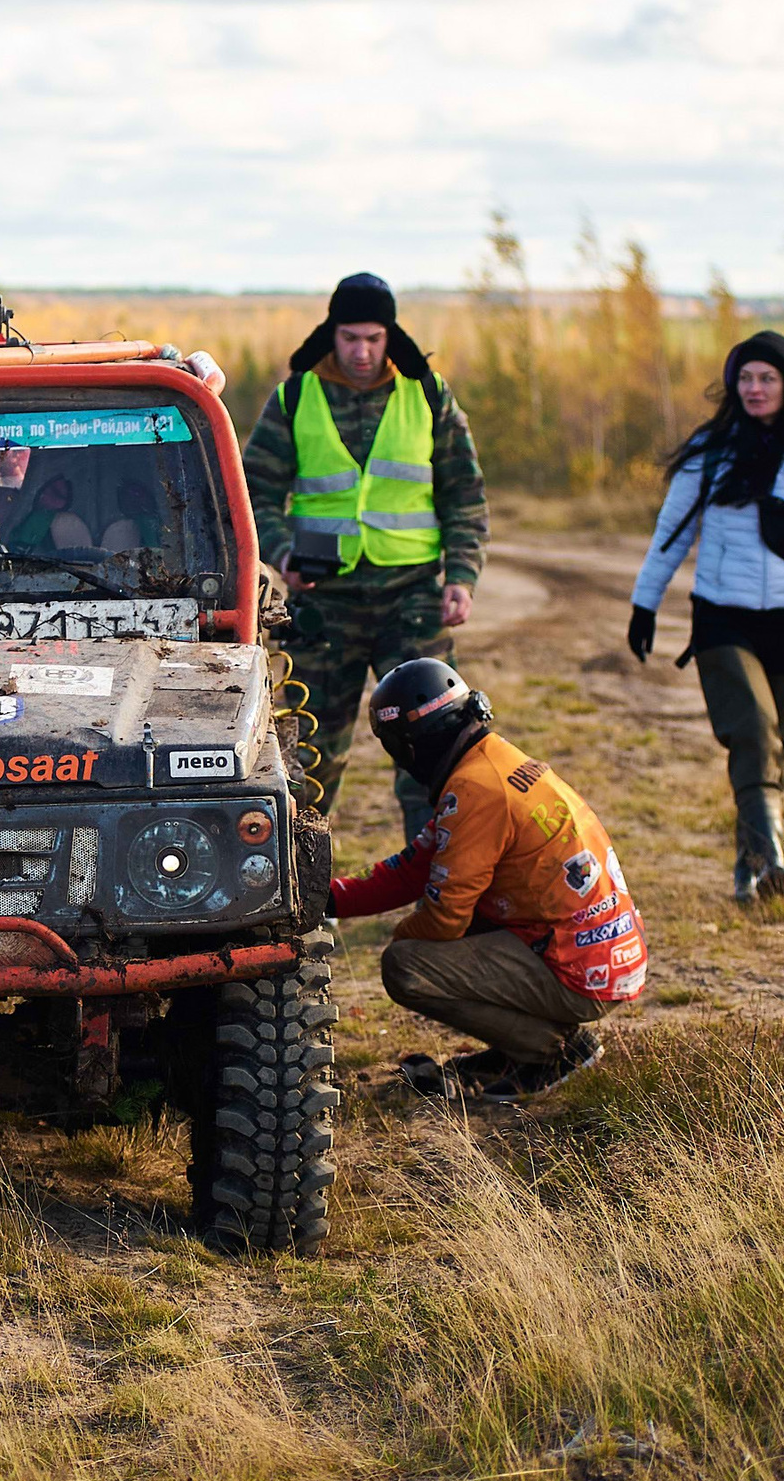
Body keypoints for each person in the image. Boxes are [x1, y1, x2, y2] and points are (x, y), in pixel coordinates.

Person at [625, 330, 784, 902]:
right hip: (723, 620)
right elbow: (672, 534)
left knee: (772, 746)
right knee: (751, 733)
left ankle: (749, 865)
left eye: (767, 377)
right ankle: (771, 858)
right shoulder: (708, 451)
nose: (754, 388)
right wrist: (645, 604)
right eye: (745, 378)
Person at [325, 658, 646, 1100]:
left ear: (410, 745)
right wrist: (331, 899)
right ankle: (518, 1047)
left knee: (406, 965)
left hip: (578, 968)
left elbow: (444, 920)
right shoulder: (492, 762)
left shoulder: (476, 789)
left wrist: (403, 938)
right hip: (599, 952)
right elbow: (414, 865)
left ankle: (553, 1051)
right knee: (461, 926)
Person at [244, 272, 489, 841]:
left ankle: (442, 879)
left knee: (437, 744)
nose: (361, 351)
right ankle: (303, 891)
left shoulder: (427, 394)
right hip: (322, 601)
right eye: (350, 337)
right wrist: (283, 555)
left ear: (390, 335)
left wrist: (463, 576)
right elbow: (253, 492)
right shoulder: (295, 397)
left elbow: (464, 493)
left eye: (373, 338)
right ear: (332, 333)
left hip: (413, 596)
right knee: (308, 753)